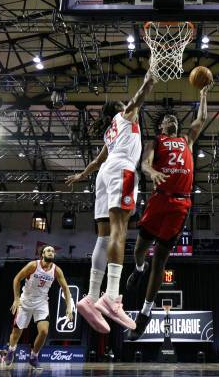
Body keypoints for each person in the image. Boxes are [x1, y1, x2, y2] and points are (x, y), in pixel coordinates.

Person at [66, 72, 156, 333]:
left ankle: (92, 298)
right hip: (123, 171)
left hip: (105, 174)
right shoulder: (125, 116)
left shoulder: (110, 132)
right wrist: (150, 76)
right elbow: (140, 96)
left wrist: (82, 175)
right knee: (120, 231)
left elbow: (97, 162)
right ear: (121, 109)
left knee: (103, 238)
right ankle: (112, 297)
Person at [125, 83, 211, 339]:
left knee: (160, 259)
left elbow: (202, 118)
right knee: (140, 249)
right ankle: (138, 269)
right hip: (159, 199)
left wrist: (203, 95)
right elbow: (144, 164)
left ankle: (145, 313)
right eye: (166, 119)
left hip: (180, 204)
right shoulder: (156, 141)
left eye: (173, 118)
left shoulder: (187, 140)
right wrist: (153, 173)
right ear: (162, 127)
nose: (170, 119)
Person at [5, 246, 73, 369]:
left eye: (53, 251)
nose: (51, 252)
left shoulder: (57, 270)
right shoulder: (33, 265)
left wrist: (69, 307)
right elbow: (16, 279)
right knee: (16, 333)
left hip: (41, 302)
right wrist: (16, 298)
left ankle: (33, 356)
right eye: (48, 251)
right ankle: (11, 349)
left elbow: (66, 289)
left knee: (44, 331)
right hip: (25, 301)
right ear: (42, 254)